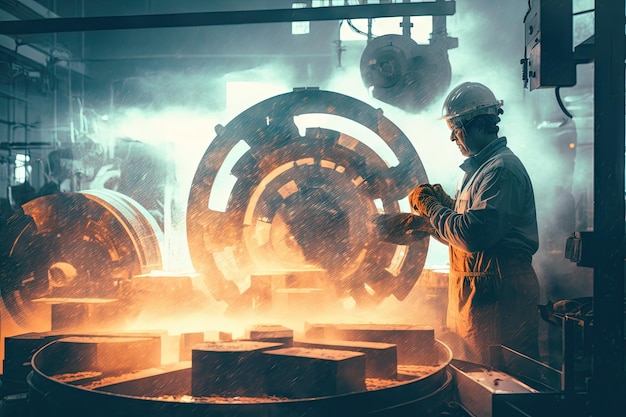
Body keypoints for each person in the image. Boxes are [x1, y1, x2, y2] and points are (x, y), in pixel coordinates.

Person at [406, 81, 540, 364]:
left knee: (503, 387)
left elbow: (473, 235)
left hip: (499, 297)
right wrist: (434, 219)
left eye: (456, 129)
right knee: (476, 383)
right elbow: (463, 233)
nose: (453, 139)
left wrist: (432, 209)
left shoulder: (501, 171)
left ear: (477, 125)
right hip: (478, 295)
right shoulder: (477, 172)